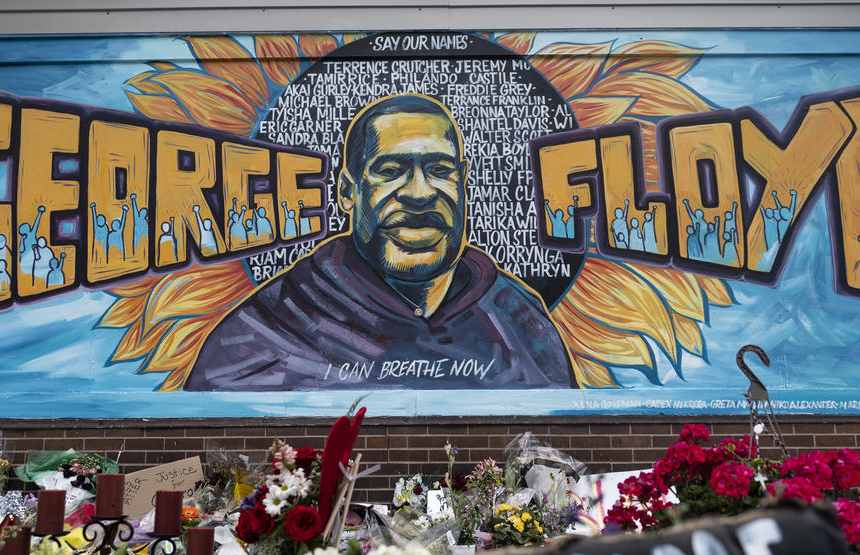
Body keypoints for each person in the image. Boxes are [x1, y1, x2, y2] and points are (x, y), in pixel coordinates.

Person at [185, 94, 577, 391]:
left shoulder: (519, 321)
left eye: (440, 169)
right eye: (390, 170)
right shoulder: (266, 330)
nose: (420, 193)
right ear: (346, 191)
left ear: (464, 181)